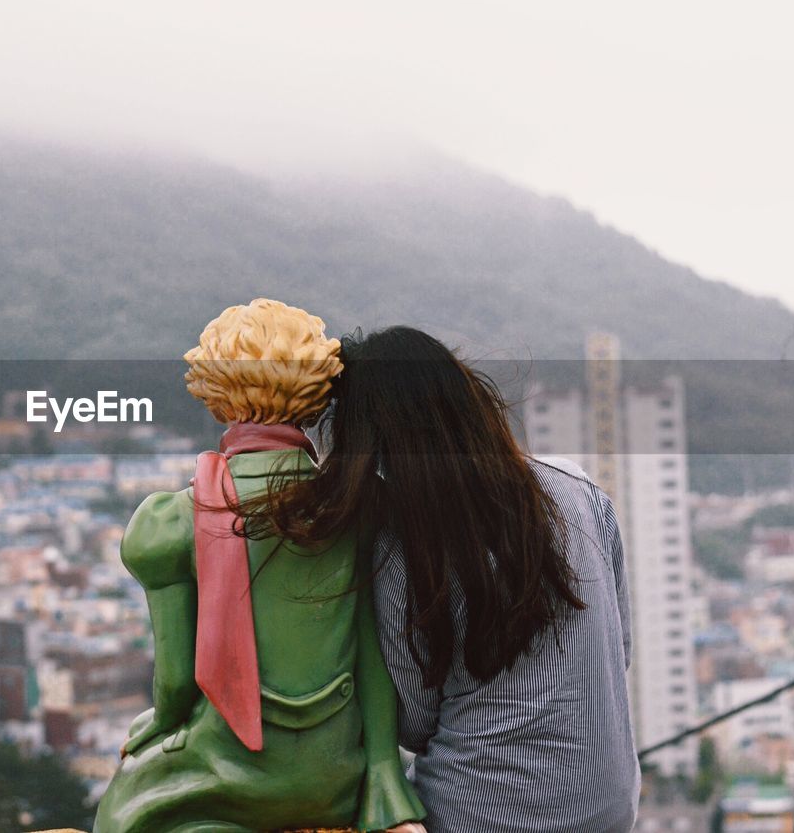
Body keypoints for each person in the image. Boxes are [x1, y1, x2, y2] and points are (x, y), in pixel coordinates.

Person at [252, 325, 641, 832]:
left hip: (478, 814)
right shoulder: (578, 491)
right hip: (608, 809)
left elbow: (413, 722)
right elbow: (620, 648)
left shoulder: (402, 546)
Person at [93, 300, 427, 833]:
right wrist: (384, 776)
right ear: (316, 395)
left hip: (231, 773)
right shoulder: (358, 507)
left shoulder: (172, 521)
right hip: (335, 777)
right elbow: (373, 659)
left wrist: (157, 723)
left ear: (214, 391)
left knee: (125, 810)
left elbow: (177, 683)